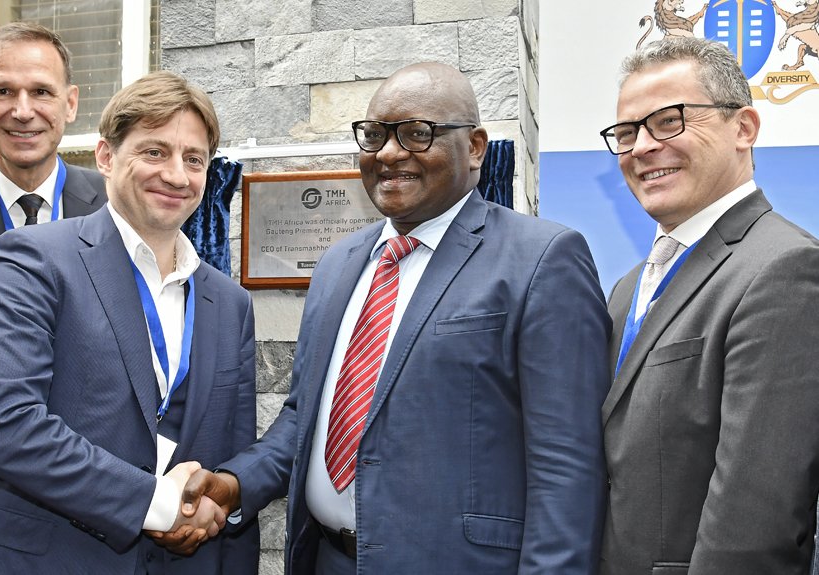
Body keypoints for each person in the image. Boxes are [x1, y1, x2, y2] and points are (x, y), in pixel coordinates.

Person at [177, 61, 611, 573]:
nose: (388, 153)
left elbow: (567, 469)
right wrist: (234, 484)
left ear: (475, 147)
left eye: (416, 134)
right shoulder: (339, 265)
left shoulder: (542, 259)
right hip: (326, 560)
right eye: (375, 134)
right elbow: (305, 419)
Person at [0, 71, 259, 574]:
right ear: (105, 157)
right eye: (155, 152)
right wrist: (160, 505)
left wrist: (213, 513)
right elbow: (0, 423)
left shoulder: (230, 302)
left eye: (194, 159)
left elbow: (232, 456)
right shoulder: (33, 259)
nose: (177, 176)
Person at [596, 37, 819, 574]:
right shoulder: (629, 286)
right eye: (627, 132)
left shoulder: (784, 269)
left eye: (669, 121)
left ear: (743, 129)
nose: (643, 147)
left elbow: (754, 518)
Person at [0, 21, 106, 257]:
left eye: (41, 92)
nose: (23, 112)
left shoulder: (116, 204)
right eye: (3, 91)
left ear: (70, 104)